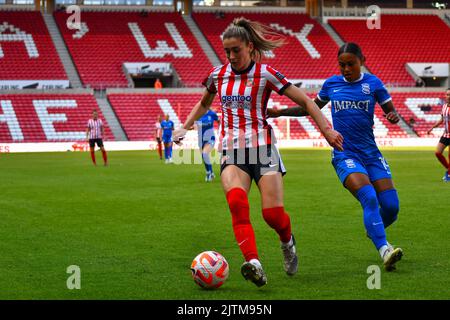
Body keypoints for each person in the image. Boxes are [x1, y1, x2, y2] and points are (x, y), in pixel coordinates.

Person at [173, 17, 343, 287]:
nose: (231, 56)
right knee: (237, 204)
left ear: (250, 47)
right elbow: (203, 104)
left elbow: (306, 101)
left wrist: (327, 130)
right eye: (227, 51)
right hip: (232, 152)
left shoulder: (266, 74)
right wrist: (184, 127)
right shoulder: (217, 75)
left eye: (236, 50)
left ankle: (287, 241)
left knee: (272, 215)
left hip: (263, 150)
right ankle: (253, 262)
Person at [268, 42, 403, 272]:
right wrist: (280, 112)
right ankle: (385, 249)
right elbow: (309, 108)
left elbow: (391, 109)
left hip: (371, 153)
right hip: (345, 153)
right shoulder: (332, 84)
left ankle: (374, 227)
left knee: (391, 207)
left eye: (351, 64)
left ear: (362, 61)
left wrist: (392, 115)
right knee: (369, 197)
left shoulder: (374, 84)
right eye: (342, 65)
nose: (346, 69)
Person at [427, 88, 450, 181]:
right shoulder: (444, 106)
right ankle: (449, 171)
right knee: (437, 153)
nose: (448, 96)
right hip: (446, 134)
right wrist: (432, 127)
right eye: (447, 94)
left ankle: (448, 174)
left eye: (449, 95)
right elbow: (442, 119)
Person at [196, 107, 220, 182]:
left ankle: (208, 173)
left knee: (205, 154)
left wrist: (220, 130)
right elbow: (195, 126)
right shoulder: (198, 114)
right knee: (204, 156)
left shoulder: (212, 114)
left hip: (210, 138)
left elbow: (219, 121)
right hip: (201, 139)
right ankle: (211, 172)